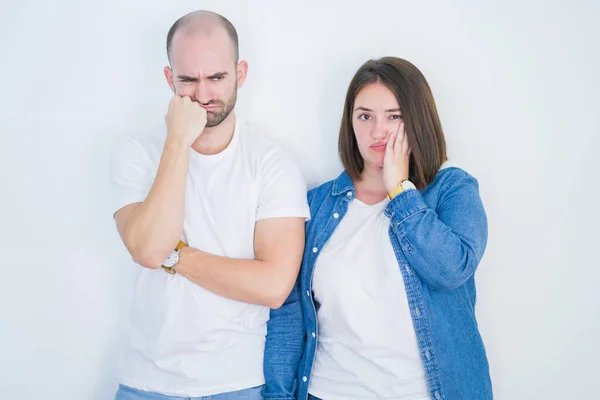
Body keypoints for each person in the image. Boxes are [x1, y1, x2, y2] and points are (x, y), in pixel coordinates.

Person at [110, 10, 309, 400]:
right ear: (169, 78)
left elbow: (273, 286)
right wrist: (178, 142)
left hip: (235, 383)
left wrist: (176, 256)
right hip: (144, 382)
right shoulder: (137, 151)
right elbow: (149, 249)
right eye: (188, 80)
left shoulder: (272, 163)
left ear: (241, 73)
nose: (202, 95)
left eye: (216, 77)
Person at [296, 57, 492, 400]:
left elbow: (451, 269)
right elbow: (289, 313)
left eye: (394, 116)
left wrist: (400, 190)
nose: (378, 131)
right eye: (365, 115)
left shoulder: (451, 190)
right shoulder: (316, 205)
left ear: (417, 118)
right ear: (350, 122)